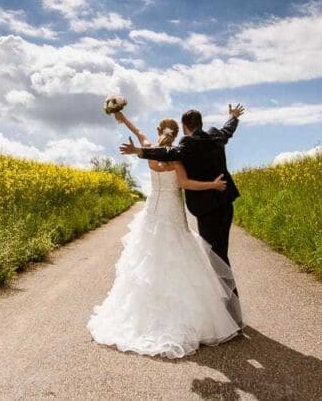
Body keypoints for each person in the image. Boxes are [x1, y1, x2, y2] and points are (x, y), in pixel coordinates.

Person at [87, 111, 242, 358]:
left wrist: (122, 117)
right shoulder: (177, 158)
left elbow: (139, 133)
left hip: (153, 212)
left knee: (147, 260)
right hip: (172, 212)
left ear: (159, 132)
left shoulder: (151, 150)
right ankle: (216, 314)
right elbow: (185, 184)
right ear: (177, 133)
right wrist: (213, 185)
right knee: (181, 257)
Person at [120, 104, 245, 266]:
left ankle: (226, 291)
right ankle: (227, 291)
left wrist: (140, 151)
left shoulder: (188, 144)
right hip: (226, 203)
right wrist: (233, 117)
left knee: (215, 257)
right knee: (221, 252)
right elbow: (228, 130)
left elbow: (168, 153)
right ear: (200, 123)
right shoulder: (215, 136)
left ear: (185, 127)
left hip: (206, 208)